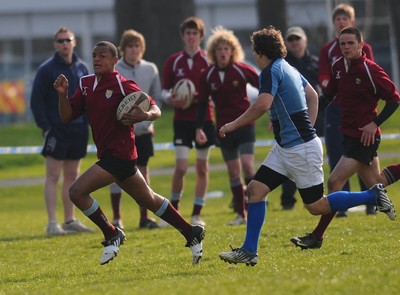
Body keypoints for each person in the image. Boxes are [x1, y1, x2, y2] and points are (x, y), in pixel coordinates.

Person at [218, 26, 395, 266]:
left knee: (316, 206)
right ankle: (249, 251)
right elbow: (313, 96)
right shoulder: (289, 67)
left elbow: (262, 104)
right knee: (255, 190)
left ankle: (371, 195)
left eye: (255, 51)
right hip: (287, 148)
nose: (254, 55)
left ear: (261, 52)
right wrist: (304, 128)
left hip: (299, 149)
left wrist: (233, 125)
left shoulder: (270, 71)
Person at [53, 41, 205, 265]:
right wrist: (62, 95)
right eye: (94, 55)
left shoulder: (123, 85)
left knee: (76, 192)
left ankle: (111, 233)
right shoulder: (85, 84)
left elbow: (156, 108)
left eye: (102, 56)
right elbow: (66, 116)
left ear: (115, 61)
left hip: (120, 154)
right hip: (112, 155)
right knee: (151, 200)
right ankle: (191, 232)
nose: (96, 59)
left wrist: (145, 115)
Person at [291, 26, 399, 250]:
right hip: (347, 133)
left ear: (361, 45)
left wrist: (374, 124)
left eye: (351, 43)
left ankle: (317, 237)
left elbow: (394, 99)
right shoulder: (338, 66)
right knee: (376, 182)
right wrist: (306, 116)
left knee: (334, 182)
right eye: (343, 44)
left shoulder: (371, 70)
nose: (347, 47)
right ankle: (374, 198)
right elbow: (329, 95)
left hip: (364, 137)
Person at [30, 27, 93, 236]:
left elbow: (88, 99)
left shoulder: (83, 67)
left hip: (79, 128)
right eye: (61, 41)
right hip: (57, 129)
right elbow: (36, 101)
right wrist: (46, 128)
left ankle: (69, 220)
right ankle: (52, 223)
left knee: (73, 175)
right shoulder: (46, 69)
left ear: (74, 42)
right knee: (53, 175)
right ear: (55, 45)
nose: (65, 43)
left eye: (68, 40)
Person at [196, 26, 258, 225]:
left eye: (226, 49)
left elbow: (264, 86)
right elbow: (202, 103)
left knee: (248, 166)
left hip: (245, 125)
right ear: (214, 52)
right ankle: (241, 214)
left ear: (233, 51)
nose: (223, 53)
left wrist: (272, 112)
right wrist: (199, 127)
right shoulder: (208, 74)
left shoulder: (242, 69)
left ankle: (254, 206)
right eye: (219, 49)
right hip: (223, 129)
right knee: (233, 171)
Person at [319, 3, 375, 217]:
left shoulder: (364, 48)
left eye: (345, 19)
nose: (341, 22)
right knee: (336, 152)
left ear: (352, 22)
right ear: (334, 23)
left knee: (363, 156)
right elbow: (325, 76)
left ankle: (369, 199)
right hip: (336, 108)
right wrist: (330, 87)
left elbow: (370, 75)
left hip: (360, 110)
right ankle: (341, 203)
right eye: (338, 19)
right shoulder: (328, 50)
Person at [161, 16, 215, 227]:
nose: (192, 37)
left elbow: (214, 91)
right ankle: (174, 213)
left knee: (202, 167)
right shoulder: (174, 61)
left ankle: (196, 214)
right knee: (181, 167)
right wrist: (171, 99)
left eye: (195, 33)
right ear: (183, 36)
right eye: (188, 33)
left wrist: (199, 98)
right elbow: (164, 91)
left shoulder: (209, 60)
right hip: (182, 121)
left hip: (204, 120)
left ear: (201, 36)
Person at [108, 29, 162, 230]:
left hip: (143, 131)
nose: (133, 50)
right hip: (120, 132)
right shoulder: (115, 70)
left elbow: (155, 98)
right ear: (123, 49)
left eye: (137, 46)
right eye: (130, 46)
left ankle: (144, 217)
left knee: (143, 171)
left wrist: (146, 121)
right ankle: (116, 218)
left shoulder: (151, 69)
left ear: (142, 48)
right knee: (114, 172)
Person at [279, 26, 323, 210]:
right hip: (290, 117)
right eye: (291, 39)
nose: (295, 42)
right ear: (286, 44)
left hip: (315, 114)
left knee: (313, 158)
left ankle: (316, 197)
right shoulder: (283, 65)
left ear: (305, 40)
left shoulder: (315, 63)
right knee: (290, 157)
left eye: (298, 39)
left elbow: (321, 90)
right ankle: (288, 200)